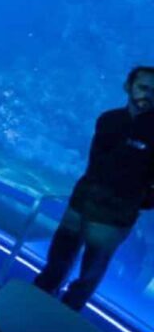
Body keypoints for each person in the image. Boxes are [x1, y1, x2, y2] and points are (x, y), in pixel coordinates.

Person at [34, 66, 154, 310]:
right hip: (81, 203)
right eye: (143, 87)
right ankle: (37, 299)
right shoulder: (109, 119)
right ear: (129, 86)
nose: (148, 95)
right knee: (57, 260)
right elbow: (96, 161)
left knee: (89, 274)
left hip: (115, 216)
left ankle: (67, 311)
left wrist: (135, 201)